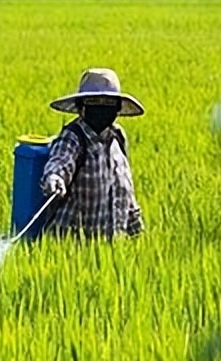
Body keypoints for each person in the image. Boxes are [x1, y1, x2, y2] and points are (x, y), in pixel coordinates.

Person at [40, 68, 145, 240]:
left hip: (109, 248)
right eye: (95, 101)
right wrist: (54, 178)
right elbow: (60, 161)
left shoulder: (118, 137)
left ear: (117, 108)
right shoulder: (74, 137)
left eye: (109, 103)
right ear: (81, 107)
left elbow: (127, 194)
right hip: (71, 250)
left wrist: (137, 234)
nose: (102, 108)